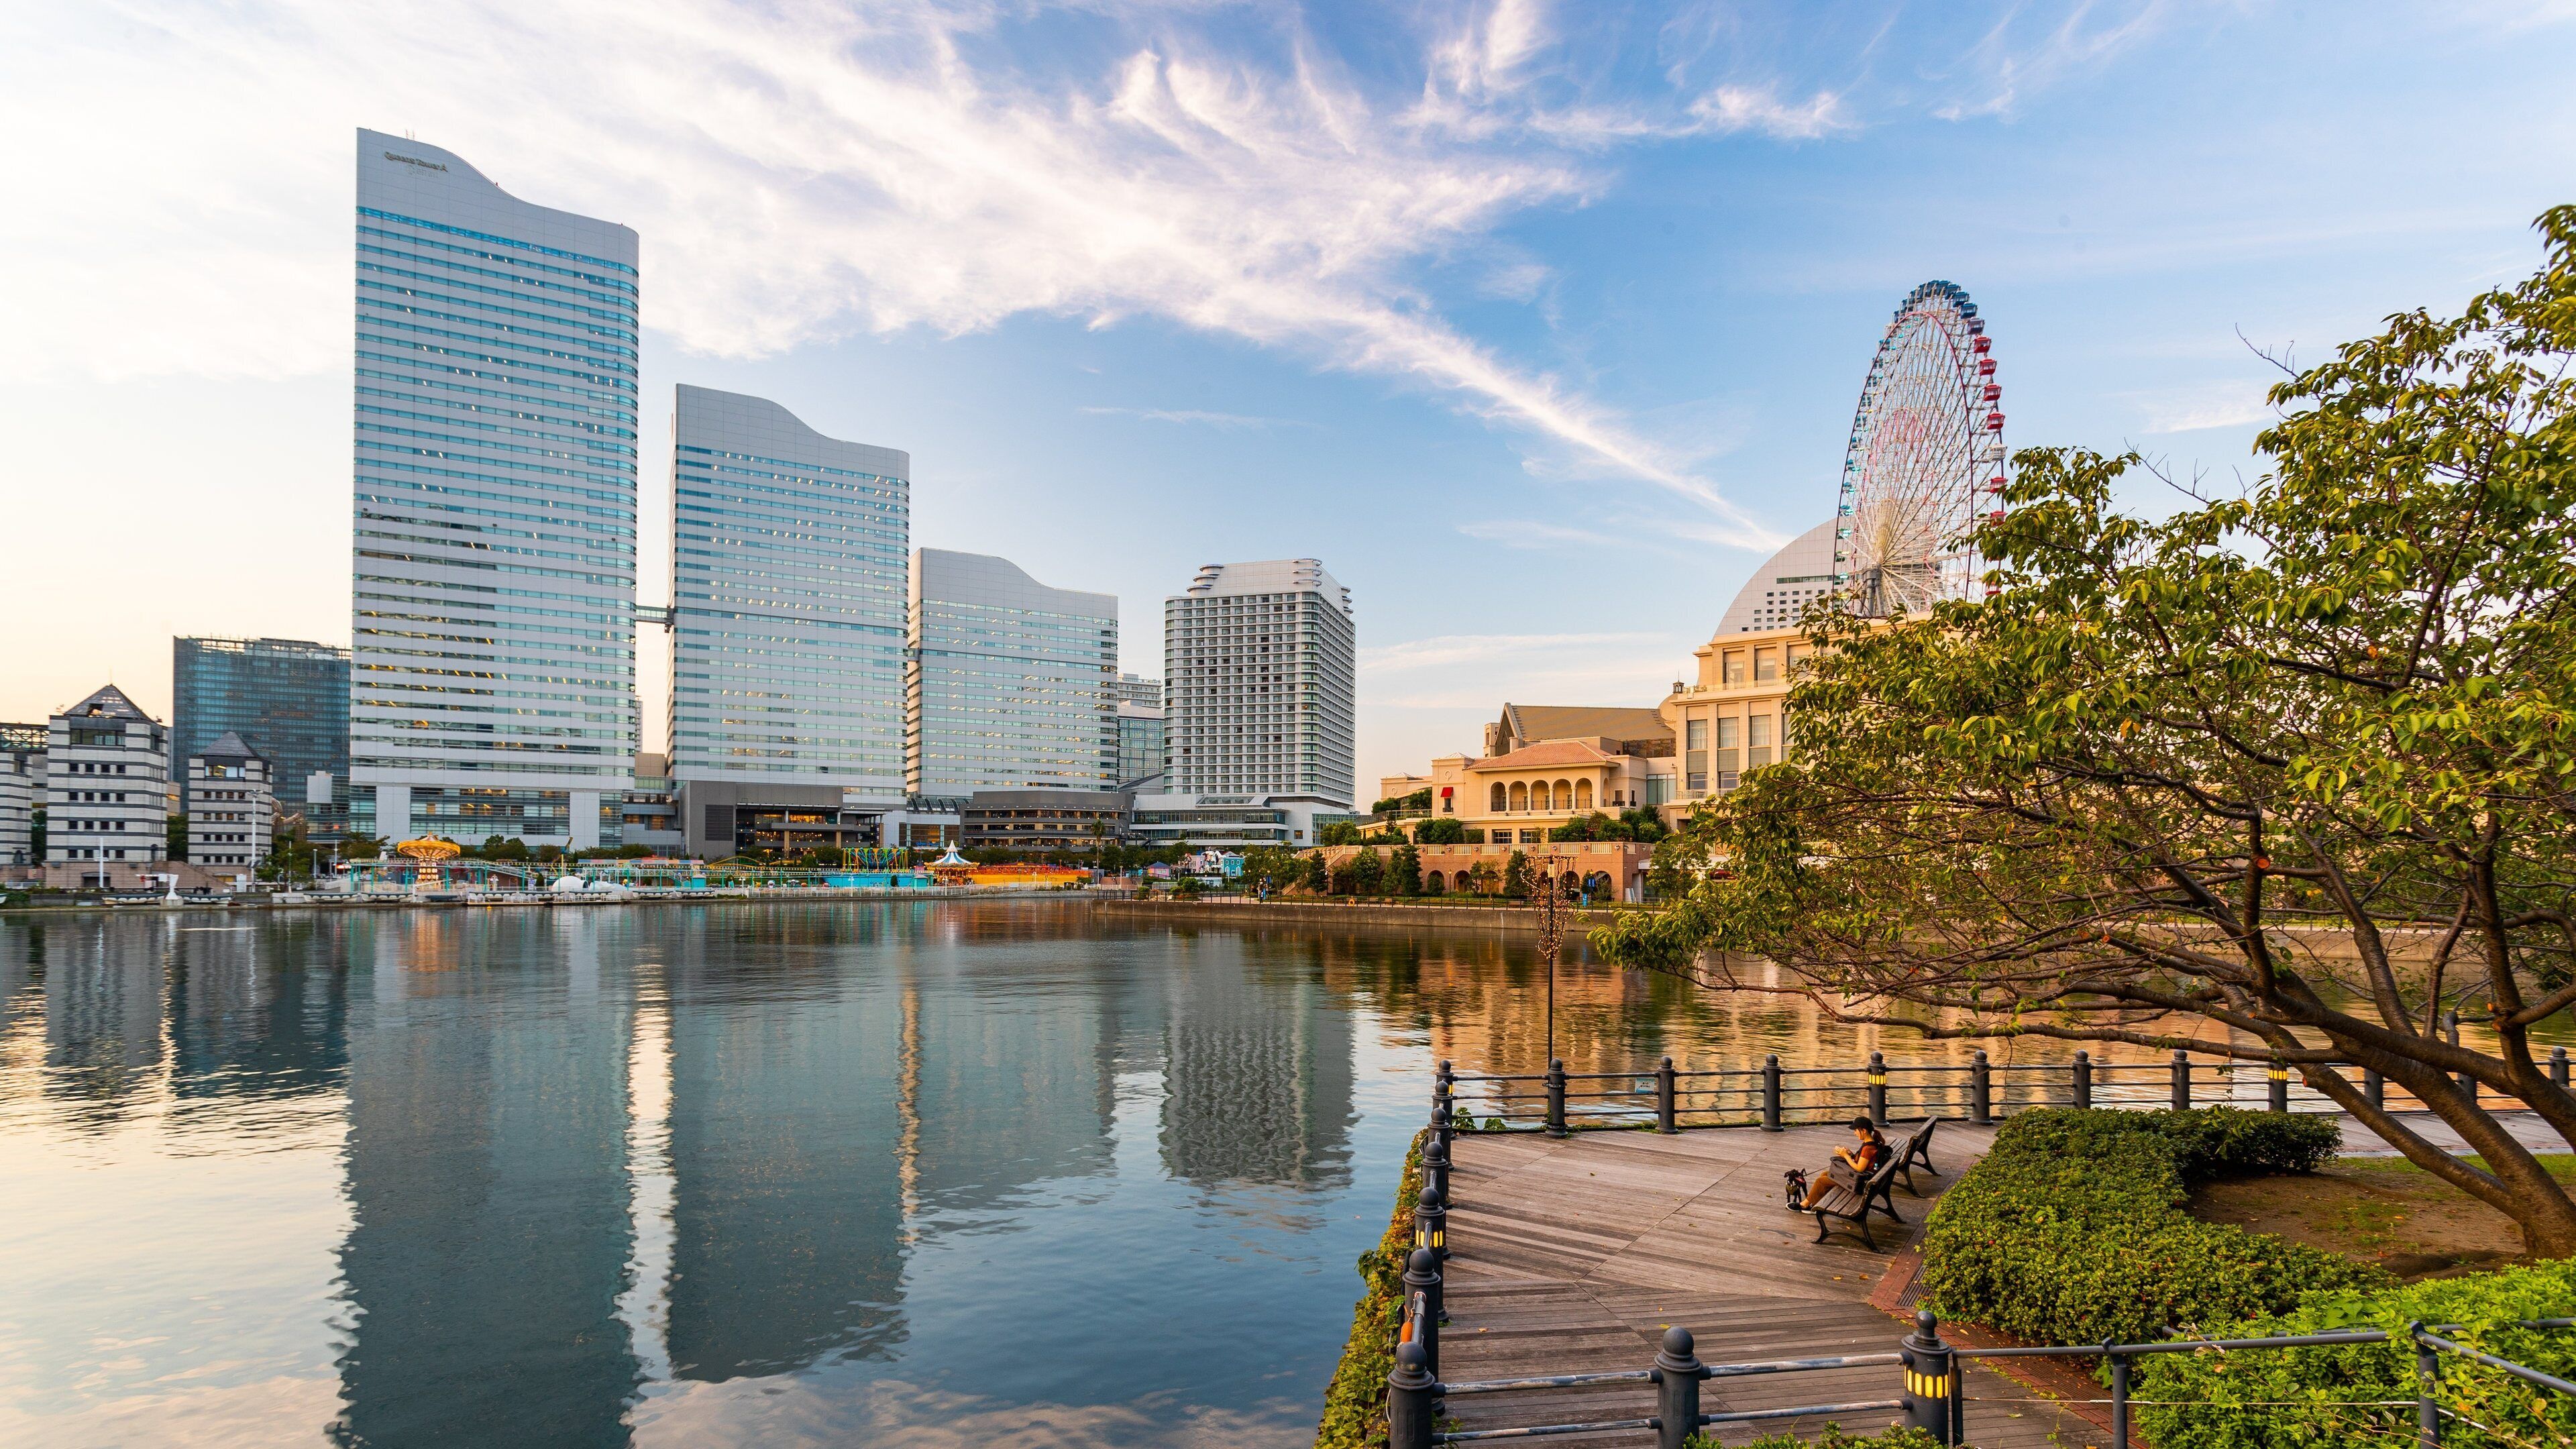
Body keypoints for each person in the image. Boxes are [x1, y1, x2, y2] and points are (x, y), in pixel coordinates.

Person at [1799, 1116, 1887, 1210]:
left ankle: (1804, 1205)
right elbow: (1863, 1162)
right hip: (1861, 1178)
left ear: (1864, 1130)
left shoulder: (1868, 1148)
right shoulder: (1870, 1144)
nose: (1855, 1133)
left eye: (1856, 1130)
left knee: (1821, 1181)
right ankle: (1815, 1204)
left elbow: (1860, 1168)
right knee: (1825, 1174)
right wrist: (1851, 1155)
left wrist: (1846, 1156)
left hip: (1859, 1182)